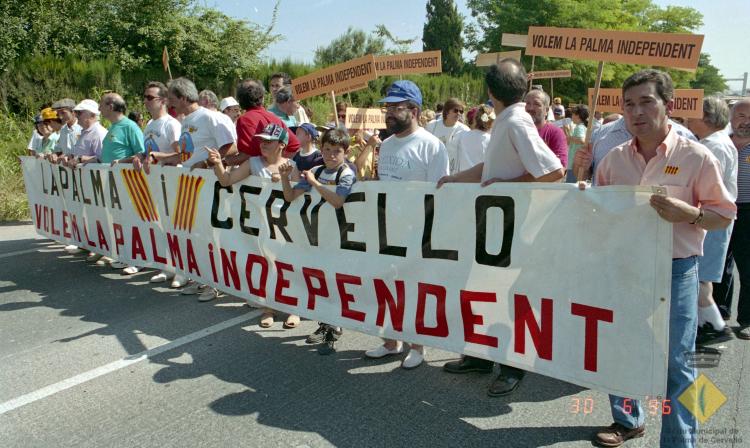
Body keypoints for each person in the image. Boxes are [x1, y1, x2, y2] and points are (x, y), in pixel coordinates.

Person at [591, 69, 735, 448]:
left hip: (676, 271)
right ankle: (627, 420)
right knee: (619, 350)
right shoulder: (613, 160)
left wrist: (688, 213)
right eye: (629, 104)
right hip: (624, 269)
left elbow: (724, 215)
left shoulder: (695, 157)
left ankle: (681, 441)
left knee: (679, 364)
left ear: (668, 106)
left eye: (646, 102)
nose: (636, 112)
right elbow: (597, 215)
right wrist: (582, 197)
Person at [437, 59, 563, 397]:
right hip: (496, 226)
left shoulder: (516, 122)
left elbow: (553, 172)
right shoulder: (508, 121)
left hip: (511, 228)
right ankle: (480, 356)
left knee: (508, 300)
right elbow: (490, 168)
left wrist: (508, 186)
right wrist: (454, 178)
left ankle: (512, 368)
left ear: (491, 92)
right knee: (484, 292)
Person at [363, 80, 449, 370]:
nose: (388, 113)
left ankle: (417, 346)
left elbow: (441, 194)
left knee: (414, 289)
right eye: (387, 107)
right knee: (387, 285)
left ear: (413, 110)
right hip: (388, 228)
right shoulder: (385, 145)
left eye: (395, 107)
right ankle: (391, 341)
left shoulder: (432, 146)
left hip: (418, 232)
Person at [208, 123, 301, 329]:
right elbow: (226, 180)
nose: (263, 144)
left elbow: (296, 198)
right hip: (260, 226)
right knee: (265, 266)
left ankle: (294, 309)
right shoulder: (253, 163)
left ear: (282, 144)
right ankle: (268, 308)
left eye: (269, 141)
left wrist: (283, 179)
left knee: (288, 266)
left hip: (286, 227)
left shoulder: (292, 166)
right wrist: (217, 164)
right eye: (261, 140)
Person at [280, 128, 356, 355]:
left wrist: (315, 183)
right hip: (317, 235)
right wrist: (285, 177)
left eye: (337, 151)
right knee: (319, 280)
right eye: (327, 150)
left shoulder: (346, 172)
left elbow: (338, 201)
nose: (331, 155)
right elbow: (290, 196)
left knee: (336, 280)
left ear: (345, 152)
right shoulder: (316, 169)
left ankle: (335, 326)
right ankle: (326, 322)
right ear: (321, 150)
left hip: (341, 235)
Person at [167, 78, 236, 300]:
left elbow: (232, 147)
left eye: (173, 98)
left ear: (184, 97)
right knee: (195, 235)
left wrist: (206, 164)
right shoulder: (187, 120)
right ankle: (202, 278)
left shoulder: (211, 117)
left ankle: (215, 284)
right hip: (190, 186)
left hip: (209, 186)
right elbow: (188, 154)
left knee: (210, 236)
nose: (171, 103)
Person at [685, 97, 738, 345]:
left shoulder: (713, 147)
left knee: (700, 277)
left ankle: (715, 327)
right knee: (700, 277)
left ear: (706, 117)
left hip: (711, 219)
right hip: (711, 218)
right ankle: (709, 325)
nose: (687, 117)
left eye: (693, 113)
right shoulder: (714, 143)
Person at [140, 81, 186, 288]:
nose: (146, 101)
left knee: (177, 227)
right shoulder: (149, 125)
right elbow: (148, 152)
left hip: (172, 182)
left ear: (164, 100)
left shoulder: (172, 124)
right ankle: (168, 266)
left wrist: (161, 157)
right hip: (154, 182)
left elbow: (182, 155)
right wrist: (138, 158)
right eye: (145, 97)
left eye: (150, 97)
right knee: (160, 225)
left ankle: (183, 271)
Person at [713, 99, 750, 340]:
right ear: (731, 117)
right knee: (718, 265)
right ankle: (718, 316)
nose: (746, 122)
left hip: (748, 211)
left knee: (747, 266)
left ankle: (746, 320)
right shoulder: (719, 143)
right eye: (741, 116)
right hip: (718, 210)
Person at [98, 92, 147, 274]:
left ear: (111, 106)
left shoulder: (130, 127)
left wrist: (123, 162)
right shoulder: (112, 127)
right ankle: (126, 255)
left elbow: (141, 154)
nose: (99, 108)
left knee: (133, 220)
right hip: (113, 183)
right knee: (119, 219)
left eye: (102, 104)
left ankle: (140, 258)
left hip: (129, 183)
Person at [231, 79, 300, 166]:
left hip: (255, 176)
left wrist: (226, 161)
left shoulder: (244, 119)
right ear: (262, 98)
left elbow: (248, 155)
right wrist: (276, 163)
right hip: (275, 174)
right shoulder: (273, 117)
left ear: (240, 100)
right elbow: (294, 145)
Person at [524, 89, 568, 168]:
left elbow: (559, 170)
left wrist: (520, 180)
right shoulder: (516, 130)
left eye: (536, 104)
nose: (530, 108)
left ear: (546, 110)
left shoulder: (555, 133)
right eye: (528, 103)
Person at [426, 97, 469, 174]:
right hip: (432, 170)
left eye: (461, 111)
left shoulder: (464, 130)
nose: (458, 113)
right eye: (455, 110)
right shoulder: (432, 125)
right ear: (446, 111)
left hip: (452, 174)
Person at [456, 104, 494, 171]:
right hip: (481, 179)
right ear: (491, 122)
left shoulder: (462, 136)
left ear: (475, 119)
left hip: (462, 178)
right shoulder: (491, 140)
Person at [565, 105, 589, 182]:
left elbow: (582, 140)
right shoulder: (580, 127)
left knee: (571, 188)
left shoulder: (580, 127)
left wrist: (570, 138)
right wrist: (568, 132)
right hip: (574, 164)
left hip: (574, 164)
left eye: (573, 114)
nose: (571, 116)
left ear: (577, 116)